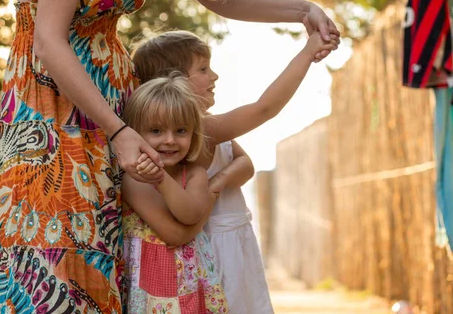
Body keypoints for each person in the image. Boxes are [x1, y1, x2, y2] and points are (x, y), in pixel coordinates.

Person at [0, 0, 340, 312]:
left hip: (115, 105)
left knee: (107, 260)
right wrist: (119, 132)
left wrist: (302, 10)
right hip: (52, 107)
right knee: (55, 261)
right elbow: (47, 41)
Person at [131, 29, 338, 312]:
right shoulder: (201, 131)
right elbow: (264, 108)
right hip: (214, 244)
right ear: (174, 79)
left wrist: (216, 183)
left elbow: (245, 164)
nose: (214, 76)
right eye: (203, 69)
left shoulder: (204, 126)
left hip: (231, 237)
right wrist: (307, 53)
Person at [121, 74, 229, 313]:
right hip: (147, 286)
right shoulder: (133, 179)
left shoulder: (193, 174)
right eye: (156, 130)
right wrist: (208, 199)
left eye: (181, 130)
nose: (169, 140)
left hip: (191, 284)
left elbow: (189, 214)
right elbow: (173, 234)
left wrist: (161, 180)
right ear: (135, 133)